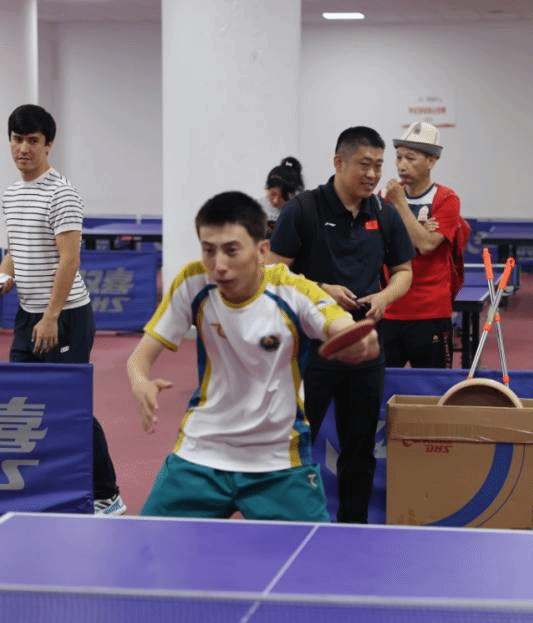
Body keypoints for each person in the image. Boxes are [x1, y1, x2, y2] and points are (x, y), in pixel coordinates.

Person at [127, 191, 378, 521]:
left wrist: (361, 342)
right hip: (201, 452)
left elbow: (348, 331)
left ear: (262, 251)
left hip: (278, 462)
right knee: (147, 544)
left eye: (231, 250)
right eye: (208, 250)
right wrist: (140, 381)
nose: (219, 265)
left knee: (314, 552)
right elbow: (139, 358)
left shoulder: (292, 290)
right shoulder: (193, 282)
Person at [268, 126, 414, 523]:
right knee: (296, 442)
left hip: (365, 349)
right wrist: (320, 291)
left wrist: (384, 297)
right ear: (339, 162)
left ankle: (353, 527)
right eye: (365, 164)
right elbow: (272, 273)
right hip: (310, 352)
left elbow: (404, 271)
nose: (372, 174)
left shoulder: (383, 213)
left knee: (360, 446)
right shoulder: (303, 210)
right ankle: (287, 521)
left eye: (378, 166)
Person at [0, 103, 126, 517]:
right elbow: (15, 247)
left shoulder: (62, 193)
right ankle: (44, 485)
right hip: (27, 313)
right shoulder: (11, 194)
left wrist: (51, 316)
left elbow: (69, 260)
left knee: (70, 405)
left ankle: (107, 494)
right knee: (22, 402)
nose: (23, 148)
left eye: (32, 141)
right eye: (17, 139)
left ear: (48, 144)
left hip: (65, 315)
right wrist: (4, 274)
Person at [379, 121, 465, 368]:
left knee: (433, 386)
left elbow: (426, 245)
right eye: (399, 158)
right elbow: (380, 244)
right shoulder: (382, 198)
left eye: (410, 158)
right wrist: (417, 230)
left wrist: (400, 205)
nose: (402, 165)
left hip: (430, 311)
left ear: (432, 161)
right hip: (390, 307)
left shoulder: (446, 199)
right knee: (383, 383)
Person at [259, 156, 304, 225]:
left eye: (283, 196)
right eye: (273, 194)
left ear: (293, 194)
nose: (276, 201)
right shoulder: (257, 209)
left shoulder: (302, 212)